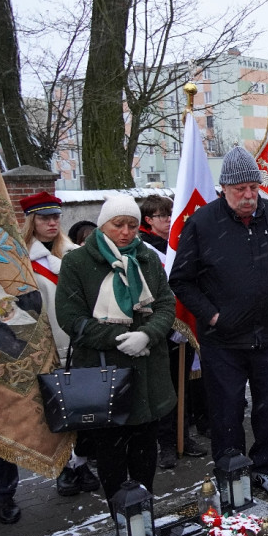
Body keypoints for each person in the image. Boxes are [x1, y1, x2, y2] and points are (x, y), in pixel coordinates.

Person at [169, 147, 268, 498]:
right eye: (239, 189)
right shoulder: (202, 224)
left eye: (253, 188)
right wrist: (213, 314)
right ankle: (230, 470)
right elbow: (181, 280)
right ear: (223, 189)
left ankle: (264, 467)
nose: (248, 196)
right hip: (223, 340)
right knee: (227, 409)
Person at [55, 195, 177, 505]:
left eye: (132, 225)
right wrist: (121, 337)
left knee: (145, 450)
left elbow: (165, 303)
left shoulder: (147, 258)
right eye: (118, 225)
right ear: (102, 224)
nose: (126, 232)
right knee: (111, 453)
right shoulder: (77, 262)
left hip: (149, 371)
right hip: (105, 373)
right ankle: (121, 515)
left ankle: (143, 506)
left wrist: (147, 335)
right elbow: (71, 318)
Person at [20, 191, 101, 499]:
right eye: (44, 217)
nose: (52, 222)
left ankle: (81, 462)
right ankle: (63, 467)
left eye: (55, 216)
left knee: (85, 410)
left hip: (80, 343)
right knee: (57, 412)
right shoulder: (22, 261)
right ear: (32, 222)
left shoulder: (73, 254)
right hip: (47, 344)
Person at [136, 195, 209, 468]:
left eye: (171, 215)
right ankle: (166, 442)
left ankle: (184, 435)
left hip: (184, 324)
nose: (168, 220)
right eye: (162, 216)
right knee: (164, 388)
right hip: (156, 327)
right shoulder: (143, 249)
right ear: (148, 220)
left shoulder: (179, 243)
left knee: (185, 386)